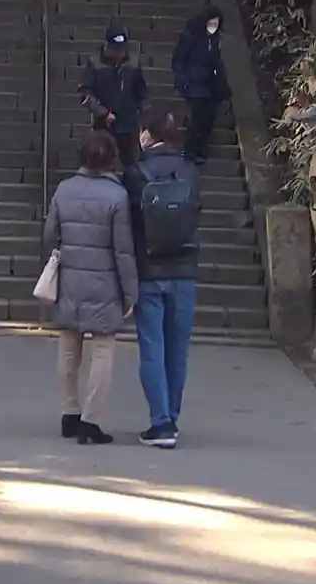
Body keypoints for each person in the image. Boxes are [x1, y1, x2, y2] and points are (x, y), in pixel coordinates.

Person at [42, 129, 137, 445]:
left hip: (70, 277)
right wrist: (130, 292)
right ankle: (91, 420)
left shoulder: (64, 189)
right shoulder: (117, 196)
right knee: (103, 348)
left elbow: (49, 234)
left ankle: (69, 411)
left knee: (68, 345)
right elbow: (123, 250)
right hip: (104, 282)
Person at [124, 103, 202, 446]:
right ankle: (172, 416)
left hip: (149, 271)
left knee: (152, 348)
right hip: (184, 269)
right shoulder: (190, 170)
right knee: (178, 350)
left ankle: (161, 422)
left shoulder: (136, 173)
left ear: (145, 134)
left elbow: (130, 224)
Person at [79, 25, 148, 169]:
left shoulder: (133, 63)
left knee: (131, 164)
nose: (119, 53)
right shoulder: (95, 63)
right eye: (115, 49)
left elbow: (142, 92)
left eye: (121, 50)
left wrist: (145, 113)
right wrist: (102, 113)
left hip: (129, 123)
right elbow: (85, 93)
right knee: (101, 162)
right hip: (104, 124)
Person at [172, 7, 231, 165]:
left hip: (211, 85)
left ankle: (200, 149)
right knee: (197, 117)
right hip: (195, 84)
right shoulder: (191, 37)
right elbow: (179, 60)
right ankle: (190, 149)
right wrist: (183, 81)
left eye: (216, 24)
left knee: (209, 118)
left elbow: (217, 63)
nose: (213, 27)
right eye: (211, 23)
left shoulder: (214, 40)